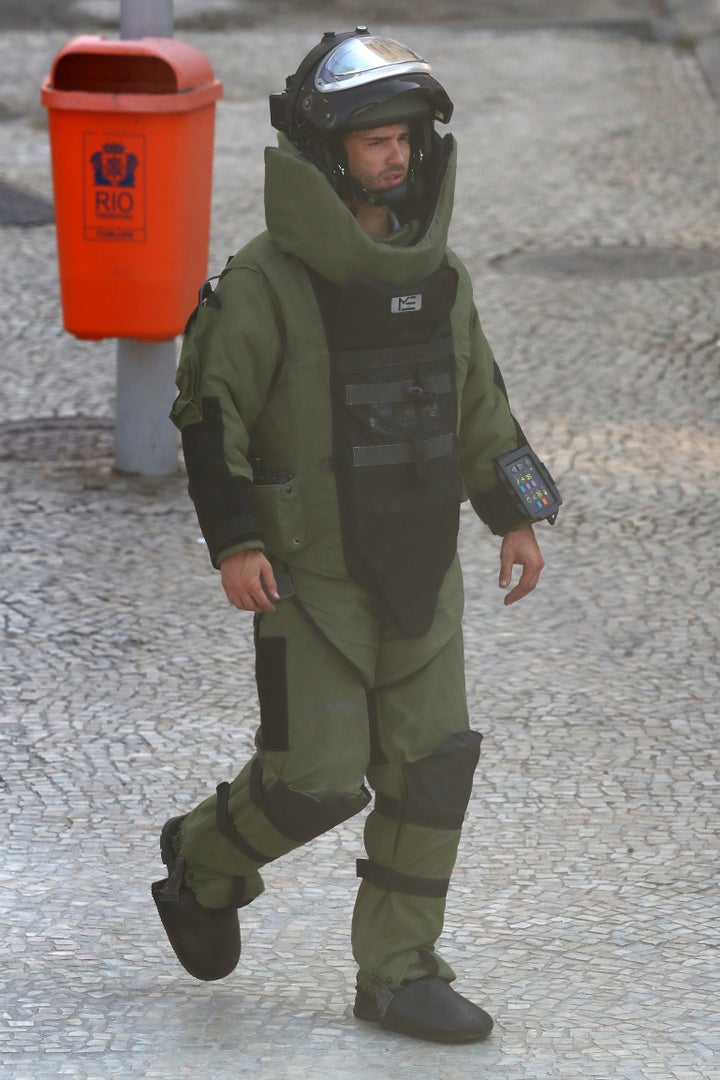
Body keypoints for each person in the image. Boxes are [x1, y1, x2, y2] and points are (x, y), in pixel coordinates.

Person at [152, 26, 560, 1044]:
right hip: (310, 581)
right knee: (316, 778)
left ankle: (399, 971)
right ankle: (203, 862)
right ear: (328, 151)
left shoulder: (443, 279)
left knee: (433, 767)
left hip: (422, 570)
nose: (396, 157)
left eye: (405, 138)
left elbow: (480, 406)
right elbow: (210, 417)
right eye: (375, 139)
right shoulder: (262, 286)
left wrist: (513, 514)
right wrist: (237, 540)